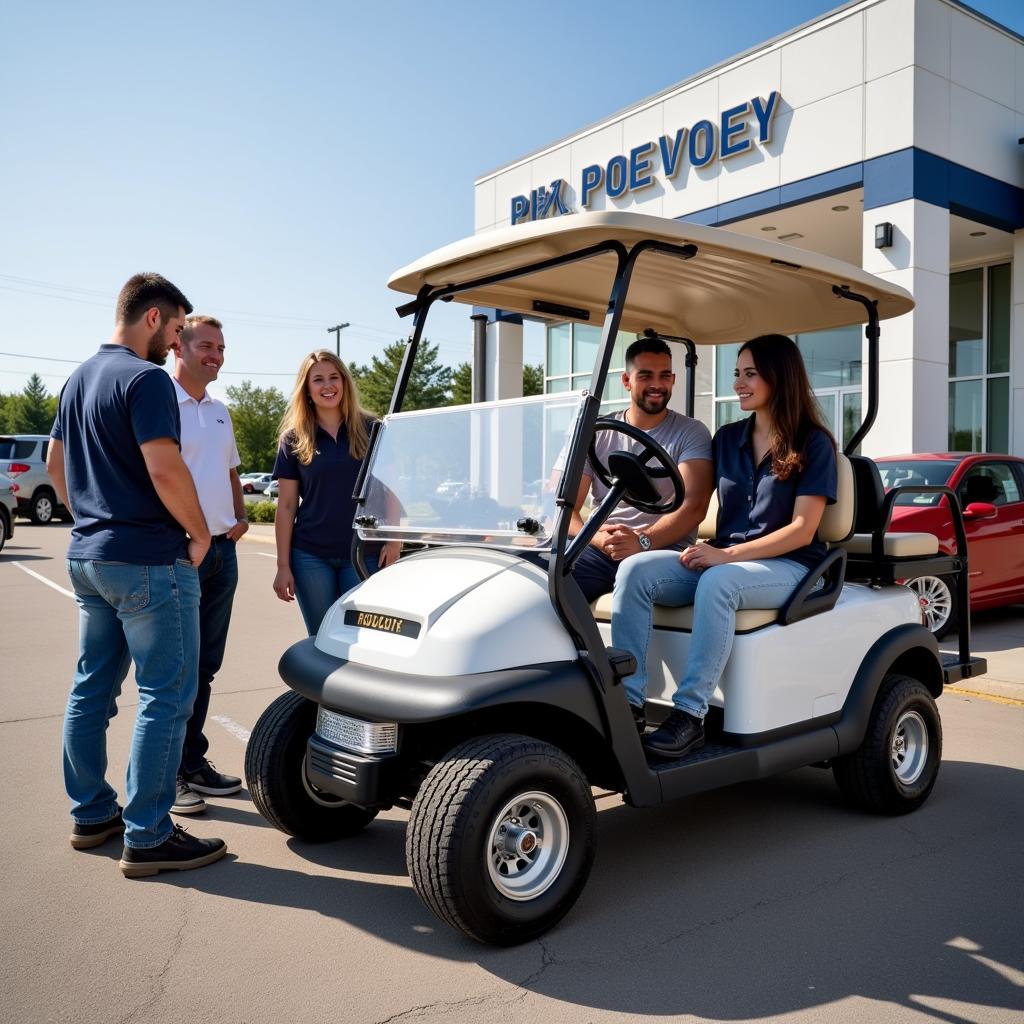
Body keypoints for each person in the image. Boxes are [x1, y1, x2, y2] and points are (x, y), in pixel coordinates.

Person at [47, 272, 227, 877]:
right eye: (177, 330)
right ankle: (147, 835)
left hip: (89, 556)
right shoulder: (145, 379)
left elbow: (54, 462)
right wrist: (201, 533)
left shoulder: (77, 380)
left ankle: (92, 813)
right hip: (149, 559)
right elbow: (164, 467)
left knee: (91, 689)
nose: (178, 344)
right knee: (166, 695)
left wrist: (93, 518)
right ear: (153, 318)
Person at [611, 334, 838, 754]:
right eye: (738, 374)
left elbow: (803, 530)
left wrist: (725, 555)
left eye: (750, 374)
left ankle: (689, 715)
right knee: (636, 571)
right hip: (726, 560)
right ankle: (628, 704)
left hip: (788, 565)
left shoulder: (813, 442)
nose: (738, 384)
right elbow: (691, 499)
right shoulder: (727, 438)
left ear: (778, 377)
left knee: (720, 582)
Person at [169, 315, 248, 816]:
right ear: (179, 345)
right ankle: (170, 775)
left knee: (205, 667)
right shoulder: (160, 402)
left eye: (221, 346)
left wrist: (239, 519)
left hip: (223, 552)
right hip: (182, 553)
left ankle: (193, 763)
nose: (216, 354)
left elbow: (232, 471)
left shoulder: (220, 411)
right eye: (206, 345)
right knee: (174, 672)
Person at [569, 336, 713, 602]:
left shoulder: (691, 432)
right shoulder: (596, 431)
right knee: (543, 578)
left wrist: (642, 541)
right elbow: (566, 507)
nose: (657, 385)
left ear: (673, 380)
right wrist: (598, 538)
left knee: (634, 572)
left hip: (661, 552)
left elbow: (694, 507)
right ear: (627, 381)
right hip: (601, 549)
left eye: (665, 376)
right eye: (646, 376)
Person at [272, 350, 400, 634]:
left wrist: (393, 541)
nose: (327, 386)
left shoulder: (373, 428)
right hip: (309, 556)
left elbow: (390, 489)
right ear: (306, 389)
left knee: (361, 638)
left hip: (363, 552)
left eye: (334, 377)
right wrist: (283, 566)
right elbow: (287, 505)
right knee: (322, 637)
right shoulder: (293, 438)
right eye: (318, 380)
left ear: (344, 382)